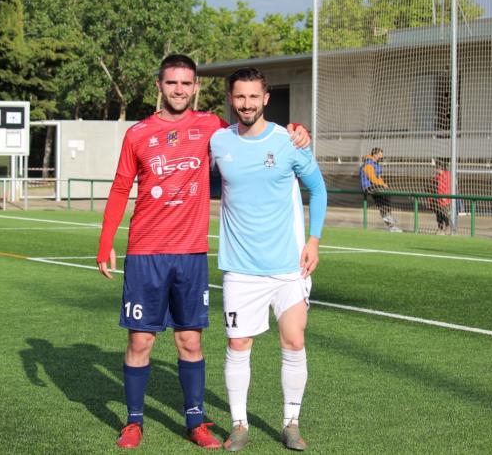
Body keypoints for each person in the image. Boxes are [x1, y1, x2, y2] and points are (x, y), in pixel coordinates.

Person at [96, 55, 310, 450]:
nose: (179, 89)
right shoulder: (138, 134)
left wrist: (297, 130)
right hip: (145, 253)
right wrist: (105, 242)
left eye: (186, 83)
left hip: (192, 253)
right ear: (159, 86)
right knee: (141, 342)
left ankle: (196, 420)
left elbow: (255, 129)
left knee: (190, 341)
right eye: (172, 83)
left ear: (196, 88)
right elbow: (120, 187)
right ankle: (133, 422)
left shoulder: (212, 128)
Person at [209, 67, 327, 452]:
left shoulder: (290, 141)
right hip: (240, 269)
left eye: (253, 97)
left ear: (265, 98)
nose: (246, 104)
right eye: (239, 97)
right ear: (231, 98)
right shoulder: (218, 141)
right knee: (238, 345)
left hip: (288, 267)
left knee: (294, 341)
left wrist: (314, 240)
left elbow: (318, 189)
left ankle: (291, 421)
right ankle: (239, 424)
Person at [359, 147, 402, 232]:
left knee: (383, 201)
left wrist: (384, 184)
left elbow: (378, 178)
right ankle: (388, 218)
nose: (381, 156)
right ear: (375, 155)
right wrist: (382, 184)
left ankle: (390, 223)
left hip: (374, 186)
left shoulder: (375, 164)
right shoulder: (368, 164)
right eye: (380, 154)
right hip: (368, 187)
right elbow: (372, 179)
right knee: (383, 198)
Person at [430, 158, 451, 234]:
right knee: (438, 214)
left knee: (444, 213)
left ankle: (448, 227)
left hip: (444, 199)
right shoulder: (438, 176)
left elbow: (448, 186)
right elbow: (434, 186)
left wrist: (445, 196)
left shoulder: (446, 175)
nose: (436, 169)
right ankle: (440, 228)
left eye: (437, 167)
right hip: (437, 199)